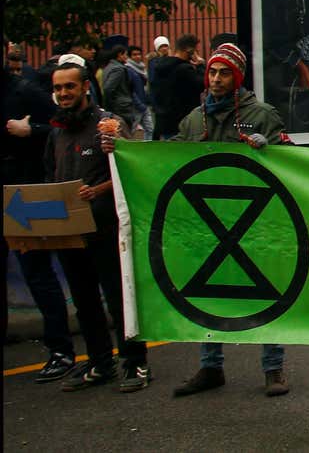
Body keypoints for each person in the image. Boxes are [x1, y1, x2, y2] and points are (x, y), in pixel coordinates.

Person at [170, 43, 293, 398]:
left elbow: (292, 160)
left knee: (265, 293)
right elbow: (168, 157)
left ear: (237, 77)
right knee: (205, 293)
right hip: (206, 223)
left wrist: (270, 148)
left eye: (224, 73)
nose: (216, 79)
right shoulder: (194, 120)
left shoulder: (262, 115)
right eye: (212, 72)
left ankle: (274, 368)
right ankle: (210, 366)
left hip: (254, 223)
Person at [46, 58, 150, 392]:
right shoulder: (56, 132)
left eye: (69, 86)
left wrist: (100, 189)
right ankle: (100, 362)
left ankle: (135, 364)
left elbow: (131, 169)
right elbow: (50, 176)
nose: (63, 93)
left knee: (119, 299)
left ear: (85, 87)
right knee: (84, 300)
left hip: (107, 229)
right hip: (70, 233)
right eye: (58, 88)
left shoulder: (109, 125)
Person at [3, 63, 76, 382]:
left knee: (37, 273)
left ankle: (61, 350)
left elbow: (64, 128)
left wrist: (31, 131)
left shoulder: (26, 91)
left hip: (24, 194)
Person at [150, 34, 204, 140]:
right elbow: (202, 84)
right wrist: (200, 65)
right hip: (183, 122)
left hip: (164, 121)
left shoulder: (159, 67)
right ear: (189, 50)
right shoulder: (184, 69)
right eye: (195, 51)